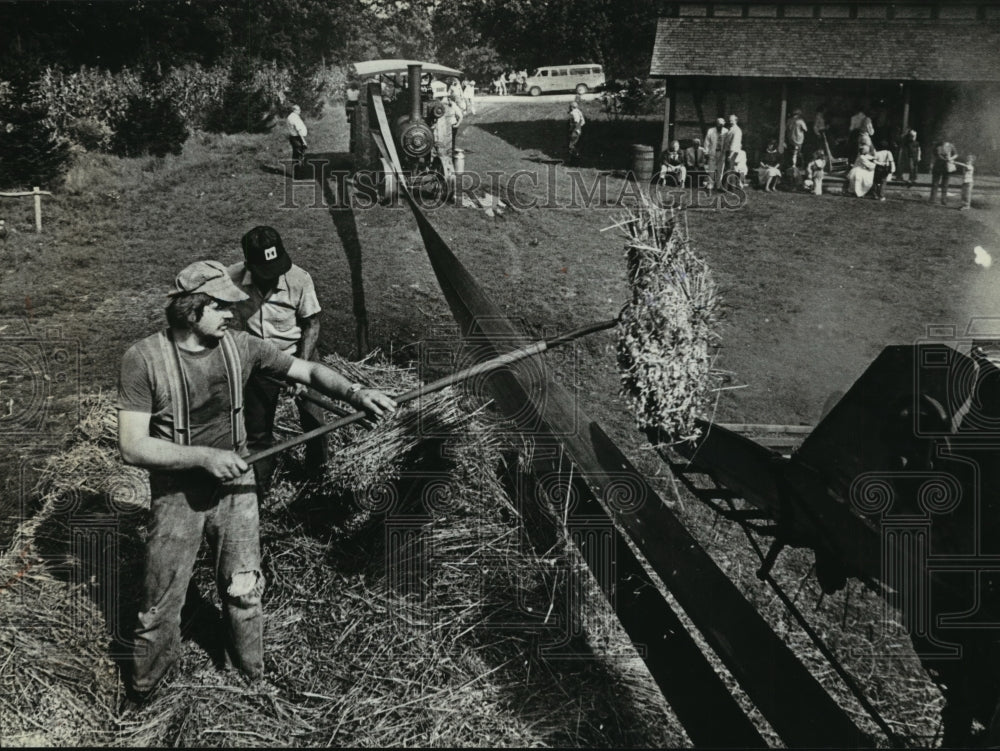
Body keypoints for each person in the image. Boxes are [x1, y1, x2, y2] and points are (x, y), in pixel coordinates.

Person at [117, 260, 396, 704]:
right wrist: (205, 457)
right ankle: (144, 694)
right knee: (161, 604)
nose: (232, 314)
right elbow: (132, 446)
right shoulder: (144, 360)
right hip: (177, 496)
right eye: (222, 307)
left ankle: (251, 679)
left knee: (244, 590)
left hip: (237, 492)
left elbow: (307, 371)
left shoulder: (241, 346)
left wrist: (356, 393)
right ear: (193, 311)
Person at [227, 226, 327, 491]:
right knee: (257, 432)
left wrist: (302, 370)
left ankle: (319, 477)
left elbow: (312, 325)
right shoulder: (231, 278)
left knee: (314, 420)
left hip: (297, 352)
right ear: (249, 264)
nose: (272, 278)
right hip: (259, 360)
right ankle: (260, 489)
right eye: (265, 273)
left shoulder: (299, 279)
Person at [930, 139, 958, 205]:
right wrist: (931, 164)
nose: (944, 141)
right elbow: (934, 156)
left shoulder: (951, 146)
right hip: (938, 166)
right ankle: (932, 199)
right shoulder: (937, 146)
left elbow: (956, 154)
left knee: (945, 184)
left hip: (947, 167)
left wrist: (950, 158)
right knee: (935, 183)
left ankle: (943, 200)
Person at [704, 118, 728, 190]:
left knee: (720, 169)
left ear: (724, 124)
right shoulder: (711, 131)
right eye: (718, 123)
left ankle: (718, 184)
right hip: (713, 152)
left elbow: (727, 143)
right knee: (711, 168)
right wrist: (706, 152)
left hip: (721, 153)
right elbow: (706, 142)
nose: (720, 125)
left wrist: (726, 152)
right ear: (716, 123)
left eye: (722, 124)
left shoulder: (726, 131)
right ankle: (710, 184)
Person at [286, 104, 308, 168]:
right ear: (294, 110)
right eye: (298, 110)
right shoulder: (294, 118)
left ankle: (297, 172)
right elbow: (299, 130)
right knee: (299, 155)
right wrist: (304, 141)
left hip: (293, 138)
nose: (300, 111)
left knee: (296, 155)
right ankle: (298, 173)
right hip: (297, 138)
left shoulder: (290, 117)